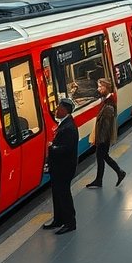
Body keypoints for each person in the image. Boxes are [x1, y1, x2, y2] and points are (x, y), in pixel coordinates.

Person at [43, 97, 78, 234]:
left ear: (64, 110)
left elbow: (67, 148)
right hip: (59, 167)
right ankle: (58, 219)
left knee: (64, 195)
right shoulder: (65, 123)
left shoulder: (68, 127)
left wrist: (52, 147)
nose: (56, 110)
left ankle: (70, 223)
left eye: (58, 108)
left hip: (64, 168)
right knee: (57, 194)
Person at [87, 79, 126, 188]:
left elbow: (106, 126)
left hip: (103, 138)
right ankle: (104, 178)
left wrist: (100, 140)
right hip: (103, 137)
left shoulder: (109, 105)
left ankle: (117, 173)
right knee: (103, 157)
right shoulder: (107, 101)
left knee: (102, 157)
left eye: (100, 87)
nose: (98, 89)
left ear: (106, 88)